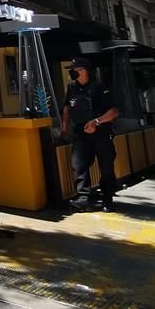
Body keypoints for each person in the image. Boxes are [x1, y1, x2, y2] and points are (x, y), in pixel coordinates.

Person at [61, 57, 119, 212]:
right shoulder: (72, 88)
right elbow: (67, 108)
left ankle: (107, 197)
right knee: (78, 164)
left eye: (74, 70)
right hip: (80, 132)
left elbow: (114, 111)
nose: (71, 73)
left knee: (106, 165)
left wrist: (97, 122)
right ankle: (83, 197)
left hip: (101, 132)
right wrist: (64, 127)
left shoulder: (100, 88)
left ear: (83, 71)